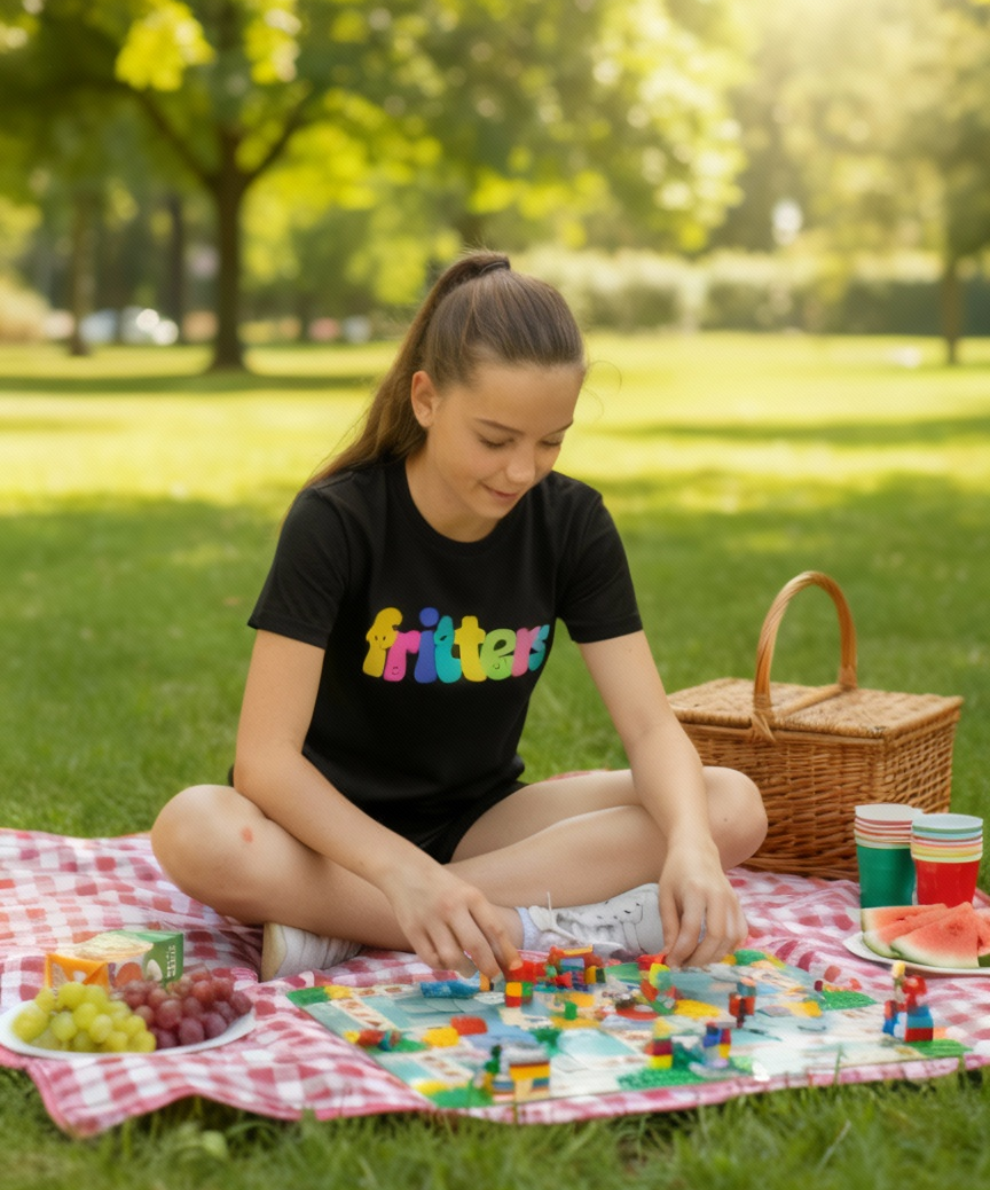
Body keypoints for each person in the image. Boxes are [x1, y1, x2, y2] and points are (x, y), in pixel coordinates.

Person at [151, 251, 767, 984]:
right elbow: (265, 762)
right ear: (426, 399)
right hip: (323, 837)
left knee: (728, 806)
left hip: (479, 826)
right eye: (496, 439)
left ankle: (354, 925)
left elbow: (648, 726)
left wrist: (692, 850)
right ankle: (515, 922)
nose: (521, 472)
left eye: (551, 441)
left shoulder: (573, 524)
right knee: (195, 830)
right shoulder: (337, 521)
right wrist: (401, 872)